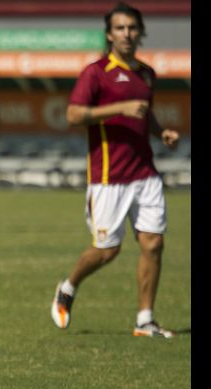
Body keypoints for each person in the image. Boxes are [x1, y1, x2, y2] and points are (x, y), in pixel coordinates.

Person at [50, 2, 180, 338]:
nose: (127, 33)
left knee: (153, 243)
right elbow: (74, 116)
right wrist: (120, 107)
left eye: (132, 28)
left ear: (140, 32)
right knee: (108, 250)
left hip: (145, 174)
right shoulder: (95, 73)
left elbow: (144, 113)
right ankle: (68, 286)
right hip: (108, 176)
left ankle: (145, 320)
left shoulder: (147, 73)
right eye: (120, 28)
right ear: (109, 34)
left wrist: (160, 131)